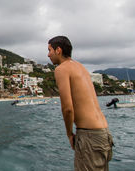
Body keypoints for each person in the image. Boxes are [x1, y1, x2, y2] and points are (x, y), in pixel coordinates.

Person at [47, 36, 113, 171]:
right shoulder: (81, 67)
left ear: (58, 50)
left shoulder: (62, 69)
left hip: (90, 136)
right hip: (104, 133)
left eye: (49, 50)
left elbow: (67, 108)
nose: (48, 55)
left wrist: (69, 134)